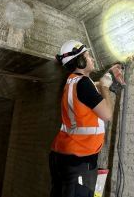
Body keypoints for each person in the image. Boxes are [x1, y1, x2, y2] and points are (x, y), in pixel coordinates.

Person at [49, 40, 114, 197]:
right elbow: (107, 115)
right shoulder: (83, 84)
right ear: (80, 61)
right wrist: (105, 87)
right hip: (79, 158)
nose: (91, 58)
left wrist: (103, 82)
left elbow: (88, 90)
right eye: (88, 55)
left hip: (62, 154)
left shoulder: (73, 81)